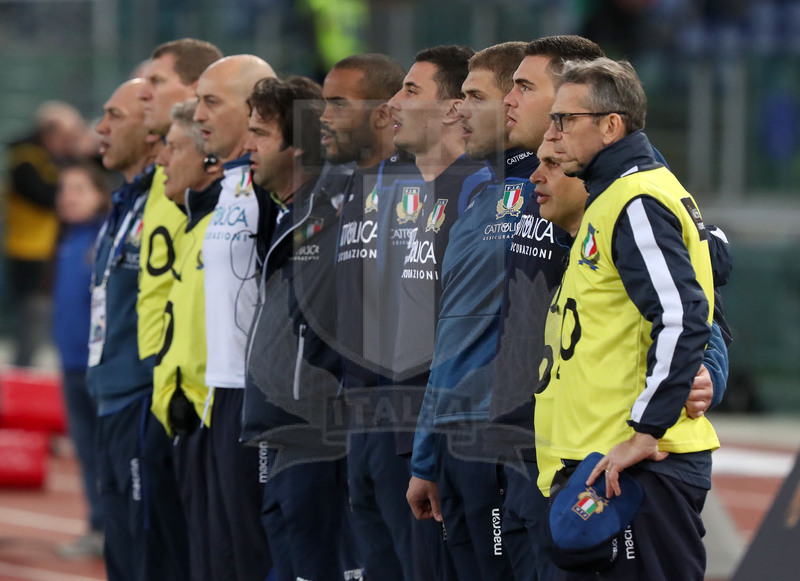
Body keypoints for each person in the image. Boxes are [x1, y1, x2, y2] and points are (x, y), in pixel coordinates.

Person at [536, 57, 719, 580]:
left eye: (565, 120)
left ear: (610, 125)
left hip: (638, 464)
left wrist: (645, 430)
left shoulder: (636, 198)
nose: (553, 133)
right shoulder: (612, 198)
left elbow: (682, 315)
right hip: (608, 461)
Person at [242, 75, 362, 581]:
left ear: (297, 147)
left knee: (318, 564)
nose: (247, 145)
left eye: (260, 134)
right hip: (279, 422)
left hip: (317, 428)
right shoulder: (281, 212)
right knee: (287, 557)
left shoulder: (337, 209)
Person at [88, 78, 189, 581]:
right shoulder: (126, 201)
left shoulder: (170, 196)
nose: (100, 129)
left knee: (151, 555)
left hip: (144, 397)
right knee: (122, 551)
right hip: (111, 396)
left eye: (115, 115)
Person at [192, 54, 277, 581]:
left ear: (252, 111)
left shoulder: (270, 189)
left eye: (211, 101)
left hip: (257, 398)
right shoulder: (225, 183)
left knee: (254, 553)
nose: (197, 112)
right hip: (216, 392)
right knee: (220, 554)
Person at [149, 98, 224, 581]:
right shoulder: (194, 220)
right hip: (183, 409)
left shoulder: (225, 224)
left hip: (213, 414)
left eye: (173, 148)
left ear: (209, 160)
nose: (161, 161)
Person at [136, 38, 222, 390]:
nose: (145, 95)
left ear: (196, 89)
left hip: (186, 383)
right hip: (157, 376)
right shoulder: (162, 171)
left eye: (156, 82)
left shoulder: (219, 182)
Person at [52, 161, 111, 560]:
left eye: (78, 188)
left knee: (108, 455)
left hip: (101, 369)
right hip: (70, 366)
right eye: (63, 189)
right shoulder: (66, 240)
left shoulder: (107, 238)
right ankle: (97, 526)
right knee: (87, 454)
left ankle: (113, 529)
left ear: (100, 194)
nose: (67, 197)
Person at [2, 101, 84, 367]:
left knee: (46, 311)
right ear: (51, 134)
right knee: (33, 312)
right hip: (29, 248)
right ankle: (23, 369)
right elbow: (41, 194)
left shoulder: (55, 158)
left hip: (53, 246)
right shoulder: (27, 156)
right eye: (65, 137)